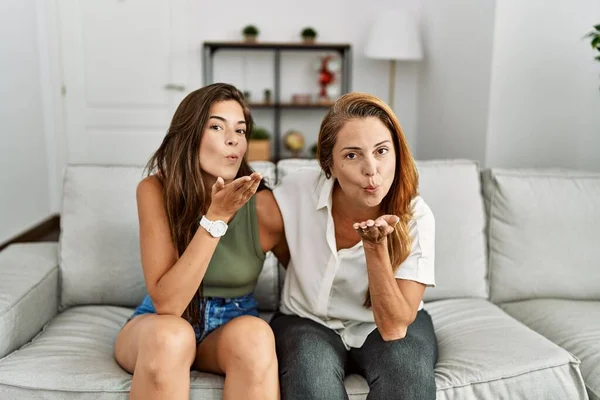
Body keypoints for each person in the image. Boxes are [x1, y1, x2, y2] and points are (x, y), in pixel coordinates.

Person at [114, 83, 286, 400]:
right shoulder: (155, 190)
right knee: (171, 337)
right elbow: (168, 304)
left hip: (230, 324)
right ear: (190, 135)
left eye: (241, 130)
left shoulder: (264, 206)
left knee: (257, 337)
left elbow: (308, 276)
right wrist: (215, 219)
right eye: (217, 126)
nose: (233, 139)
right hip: (161, 320)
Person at [271, 92, 438, 400]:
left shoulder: (417, 216)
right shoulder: (296, 190)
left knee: (408, 379)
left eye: (381, 151)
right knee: (312, 381)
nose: (371, 169)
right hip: (307, 320)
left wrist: (375, 249)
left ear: (397, 154)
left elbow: (393, 327)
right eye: (352, 155)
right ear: (329, 164)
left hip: (387, 326)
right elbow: (269, 241)